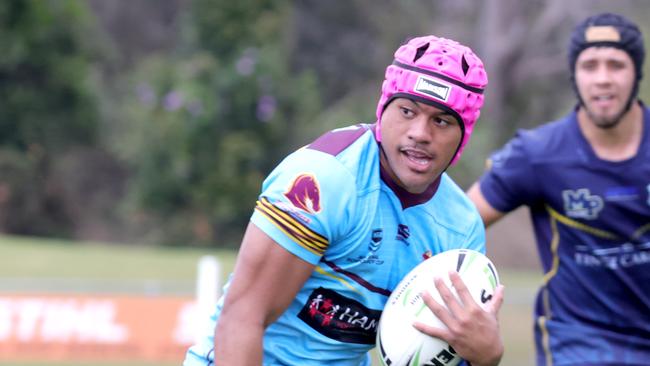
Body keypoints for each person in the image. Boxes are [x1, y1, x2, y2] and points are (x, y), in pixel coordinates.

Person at [184, 35, 504, 366]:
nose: (420, 133)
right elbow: (243, 317)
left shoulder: (461, 226)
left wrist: (486, 356)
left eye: (441, 121)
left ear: (462, 135)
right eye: (407, 111)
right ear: (383, 110)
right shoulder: (323, 178)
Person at [467, 12, 650, 366]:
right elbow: (456, 222)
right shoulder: (538, 154)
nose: (602, 79)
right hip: (579, 346)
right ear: (574, 75)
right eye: (589, 65)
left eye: (616, 65)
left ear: (636, 72)